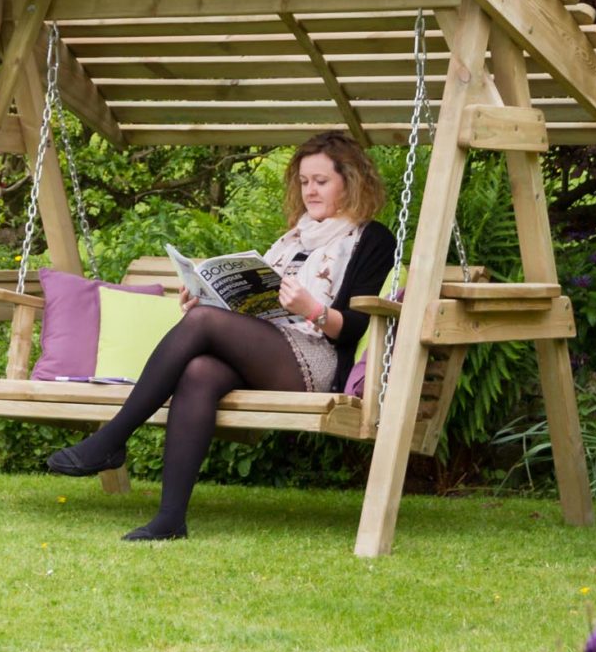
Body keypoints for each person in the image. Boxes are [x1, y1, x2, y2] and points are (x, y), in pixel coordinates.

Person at [45, 131, 398, 540]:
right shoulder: (293, 237)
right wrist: (205, 297)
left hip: (316, 357)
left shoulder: (372, 238)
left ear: (350, 182)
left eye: (321, 181)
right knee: (199, 371)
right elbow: (256, 304)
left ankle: (113, 436)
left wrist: (312, 309)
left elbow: (355, 324)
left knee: (203, 326)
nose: (310, 191)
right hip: (267, 347)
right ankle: (170, 520)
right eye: (303, 182)